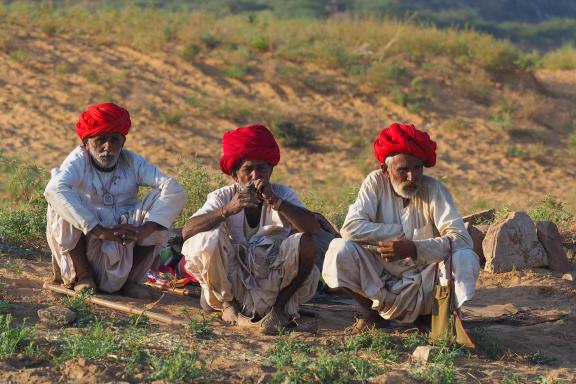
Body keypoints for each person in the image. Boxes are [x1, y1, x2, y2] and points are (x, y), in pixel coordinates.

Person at [322, 122, 480, 330]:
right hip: (381, 277)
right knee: (338, 250)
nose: (412, 177)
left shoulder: (434, 190)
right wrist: (397, 234)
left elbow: (461, 239)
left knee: (465, 257)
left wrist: (414, 248)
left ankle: (437, 318)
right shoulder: (375, 182)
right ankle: (372, 316)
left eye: (417, 168)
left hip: (425, 279)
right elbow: (350, 229)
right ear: (385, 171)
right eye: (403, 170)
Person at [180, 124, 330, 334]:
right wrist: (226, 210)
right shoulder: (222, 196)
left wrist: (276, 201)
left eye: (261, 168)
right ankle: (228, 306)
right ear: (234, 175)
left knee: (306, 242)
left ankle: (279, 309)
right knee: (205, 238)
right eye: (247, 170)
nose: (255, 176)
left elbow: (313, 228)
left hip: (272, 282)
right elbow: (187, 231)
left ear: (270, 170)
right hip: (233, 283)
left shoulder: (282, 194)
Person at [44, 103, 187, 299]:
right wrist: (100, 231)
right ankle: (84, 277)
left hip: (126, 242)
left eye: (114, 140)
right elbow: (54, 190)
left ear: (123, 142)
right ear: (86, 143)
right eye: (100, 140)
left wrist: (144, 230)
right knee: (60, 198)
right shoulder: (78, 160)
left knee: (162, 198)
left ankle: (131, 282)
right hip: (89, 241)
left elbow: (174, 189)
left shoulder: (132, 161)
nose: (108, 147)